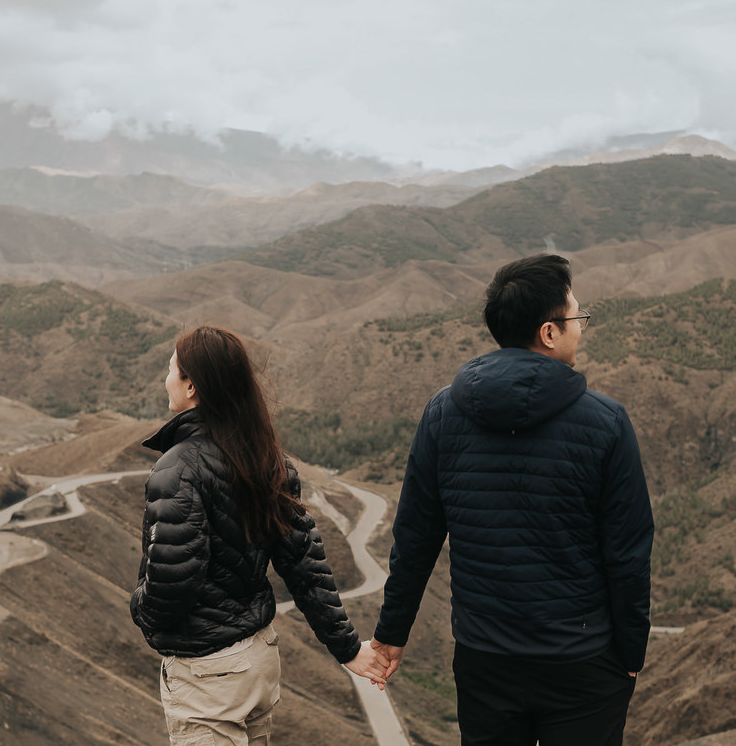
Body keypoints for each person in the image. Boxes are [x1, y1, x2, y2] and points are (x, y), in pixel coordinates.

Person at [371, 254, 654, 746]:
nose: (580, 329)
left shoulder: (443, 413)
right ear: (548, 332)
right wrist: (630, 656)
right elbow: (628, 554)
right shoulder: (606, 422)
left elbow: (415, 537)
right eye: (577, 319)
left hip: (486, 659)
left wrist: (392, 633)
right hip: (582, 662)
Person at [130, 326, 388, 746]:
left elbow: (172, 580)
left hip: (209, 671)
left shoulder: (178, 468)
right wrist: (347, 647)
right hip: (258, 656)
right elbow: (304, 564)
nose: (166, 378)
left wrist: (140, 610)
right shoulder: (266, 457)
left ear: (192, 385)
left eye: (170, 369)